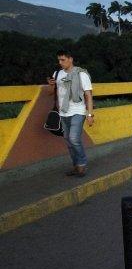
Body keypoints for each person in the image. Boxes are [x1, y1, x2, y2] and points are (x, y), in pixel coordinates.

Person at [47, 49, 94, 177]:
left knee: (74, 138)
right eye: (59, 60)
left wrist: (89, 114)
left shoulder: (81, 74)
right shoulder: (57, 74)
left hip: (78, 111)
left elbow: (88, 95)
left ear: (70, 59)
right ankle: (75, 165)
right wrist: (51, 85)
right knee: (68, 141)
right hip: (63, 113)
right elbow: (51, 93)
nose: (60, 62)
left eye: (63, 60)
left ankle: (82, 164)